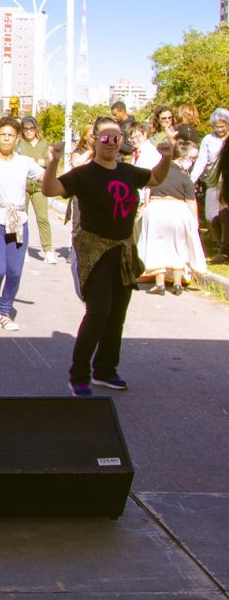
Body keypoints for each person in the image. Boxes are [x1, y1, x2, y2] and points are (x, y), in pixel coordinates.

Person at [42, 116, 173, 397]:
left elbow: (158, 177)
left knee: (117, 314)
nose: (111, 142)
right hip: (94, 250)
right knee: (99, 310)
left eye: (116, 137)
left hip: (123, 250)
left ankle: (106, 371)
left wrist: (166, 158)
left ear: (121, 141)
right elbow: (50, 190)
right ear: (95, 140)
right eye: (105, 137)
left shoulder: (129, 172)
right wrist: (53, 161)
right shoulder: (84, 174)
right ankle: (79, 375)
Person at [0, 117, 44, 334]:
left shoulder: (24, 162)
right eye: (2, 134)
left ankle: (5, 312)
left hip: (17, 221)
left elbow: (45, 178)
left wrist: (56, 163)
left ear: (17, 137)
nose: (6, 138)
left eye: (10, 135)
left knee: (14, 272)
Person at [135, 147, 205, 294]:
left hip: (157, 207)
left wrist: (148, 210)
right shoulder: (184, 177)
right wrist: (194, 220)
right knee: (178, 245)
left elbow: (148, 192)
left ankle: (159, 284)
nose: (191, 163)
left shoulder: (156, 172)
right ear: (181, 158)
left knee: (157, 246)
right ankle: (177, 283)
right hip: (178, 209)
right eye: (190, 159)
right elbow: (191, 201)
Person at [17, 116, 58, 263]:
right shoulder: (19, 144)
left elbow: (50, 161)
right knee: (22, 218)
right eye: (26, 129)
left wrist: (42, 161)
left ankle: (47, 250)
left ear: (36, 129)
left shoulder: (43, 143)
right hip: (23, 185)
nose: (28, 131)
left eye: (31, 128)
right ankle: (22, 249)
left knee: (42, 218)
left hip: (40, 186)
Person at [191, 108, 228, 224]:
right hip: (213, 181)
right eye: (216, 126)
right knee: (210, 217)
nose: (219, 129)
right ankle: (217, 240)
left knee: (225, 216)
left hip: (227, 181)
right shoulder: (208, 140)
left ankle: (224, 241)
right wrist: (192, 179)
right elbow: (201, 161)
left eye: (222, 126)